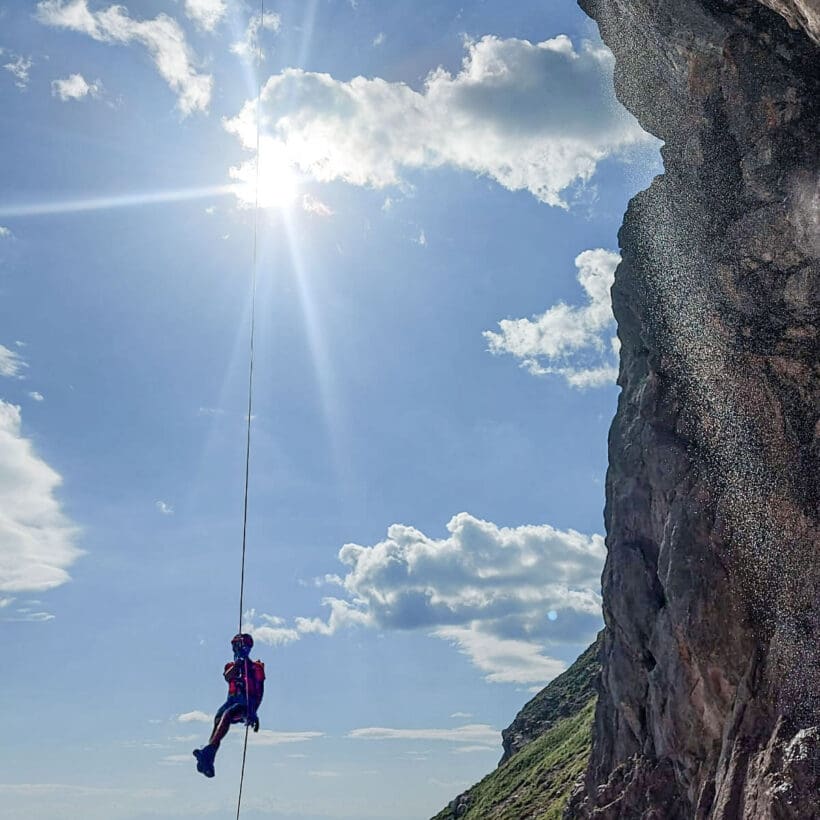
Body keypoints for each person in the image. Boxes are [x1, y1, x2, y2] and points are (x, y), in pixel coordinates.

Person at [193, 633, 265, 778]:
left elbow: (259, 691)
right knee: (218, 718)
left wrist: (254, 712)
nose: (235, 649)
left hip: (246, 703)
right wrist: (238, 663)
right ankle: (209, 758)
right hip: (232, 700)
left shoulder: (255, 667)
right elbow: (228, 676)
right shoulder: (232, 666)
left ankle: (209, 752)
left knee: (228, 714)